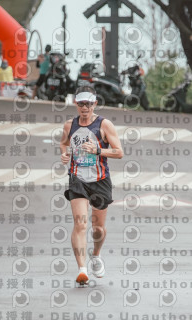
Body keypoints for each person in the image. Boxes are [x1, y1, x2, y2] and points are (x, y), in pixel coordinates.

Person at [59, 86, 123, 285]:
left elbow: (119, 152)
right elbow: (64, 143)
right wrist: (64, 154)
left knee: (98, 229)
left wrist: (98, 150)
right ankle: (82, 270)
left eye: (88, 103)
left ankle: (96, 255)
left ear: (95, 104)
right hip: (77, 179)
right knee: (80, 224)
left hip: (100, 180)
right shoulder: (69, 125)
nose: (84, 107)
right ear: (76, 104)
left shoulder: (104, 125)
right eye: (81, 104)